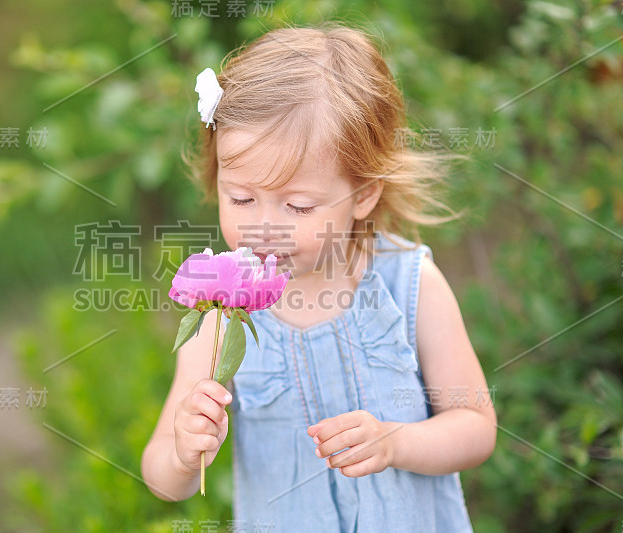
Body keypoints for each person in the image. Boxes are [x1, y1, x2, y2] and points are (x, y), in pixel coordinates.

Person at [141, 22, 496, 532]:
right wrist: (181, 452)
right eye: (240, 198)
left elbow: (477, 427)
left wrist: (396, 442)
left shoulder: (409, 286)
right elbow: (161, 475)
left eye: (298, 206)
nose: (262, 230)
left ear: (364, 194)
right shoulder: (219, 312)